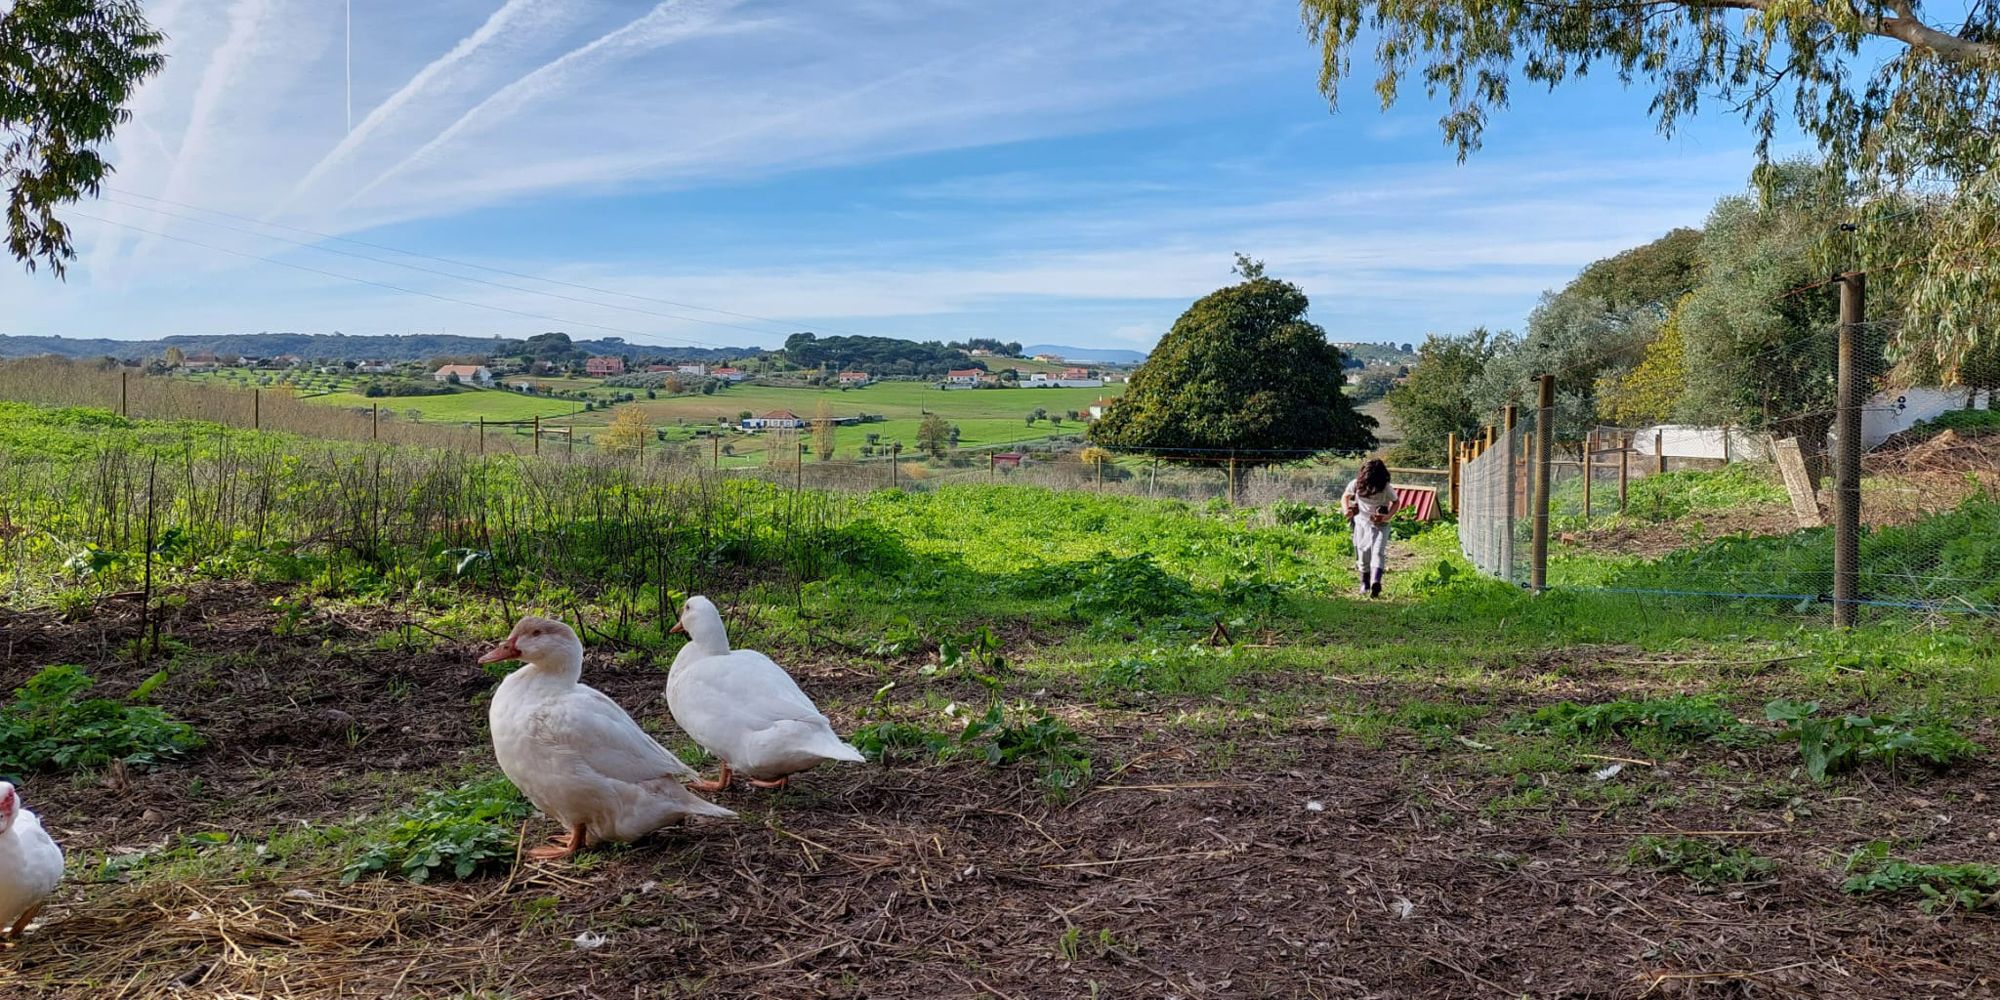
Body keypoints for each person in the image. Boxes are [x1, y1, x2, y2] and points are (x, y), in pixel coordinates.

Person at [1341, 459, 1397, 598]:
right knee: (1364, 553)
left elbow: (1396, 502)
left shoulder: (1386, 487)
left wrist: (1386, 516)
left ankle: (1375, 582)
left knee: (1378, 552)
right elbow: (1345, 496)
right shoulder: (1356, 484)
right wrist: (1346, 510)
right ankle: (1364, 583)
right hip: (1361, 523)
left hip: (1380, 526)